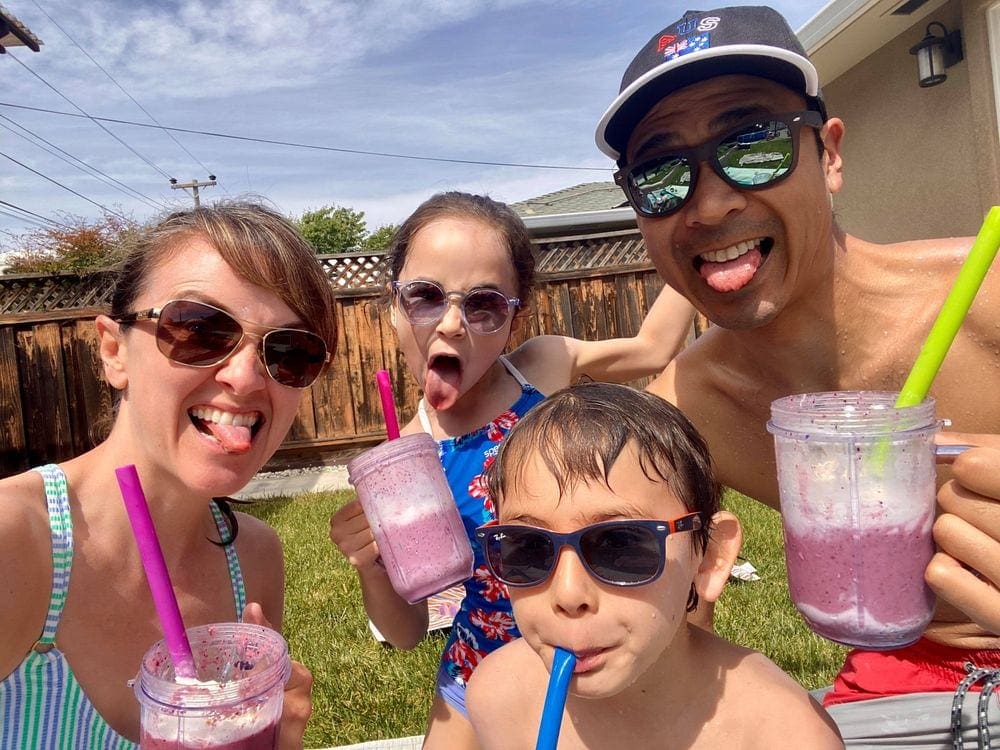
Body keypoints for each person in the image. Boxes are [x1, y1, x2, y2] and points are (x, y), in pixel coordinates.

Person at [594, 5, 1000, 746]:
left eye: (752, 144)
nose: (710, 203)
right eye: (659, 175)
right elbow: (672, 643)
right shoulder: (686, 412)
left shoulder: (987, 301)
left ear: (830, 154)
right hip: (892, 674)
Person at [329, 191, 694, 749]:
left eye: (483, 305)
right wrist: (371, 566)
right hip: (478, 660)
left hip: (588, 646)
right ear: (392, 304)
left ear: (514, 315)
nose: (451, 324)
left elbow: (654, 345)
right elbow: (405, 633)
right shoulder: (406, 462)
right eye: (426, 296)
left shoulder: (543, 368)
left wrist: (690, 253)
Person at [0, 201, 336, 749]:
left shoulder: (253, 558)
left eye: (292, 351)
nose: (247, 379)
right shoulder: (15, 540)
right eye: (200, 329)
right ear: (114, 351)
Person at [465, 381, 843, 748]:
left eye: (619, 545)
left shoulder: (783, 735)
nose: (567, 594)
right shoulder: (501, 698)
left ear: (709, 556)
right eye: (527, 547)